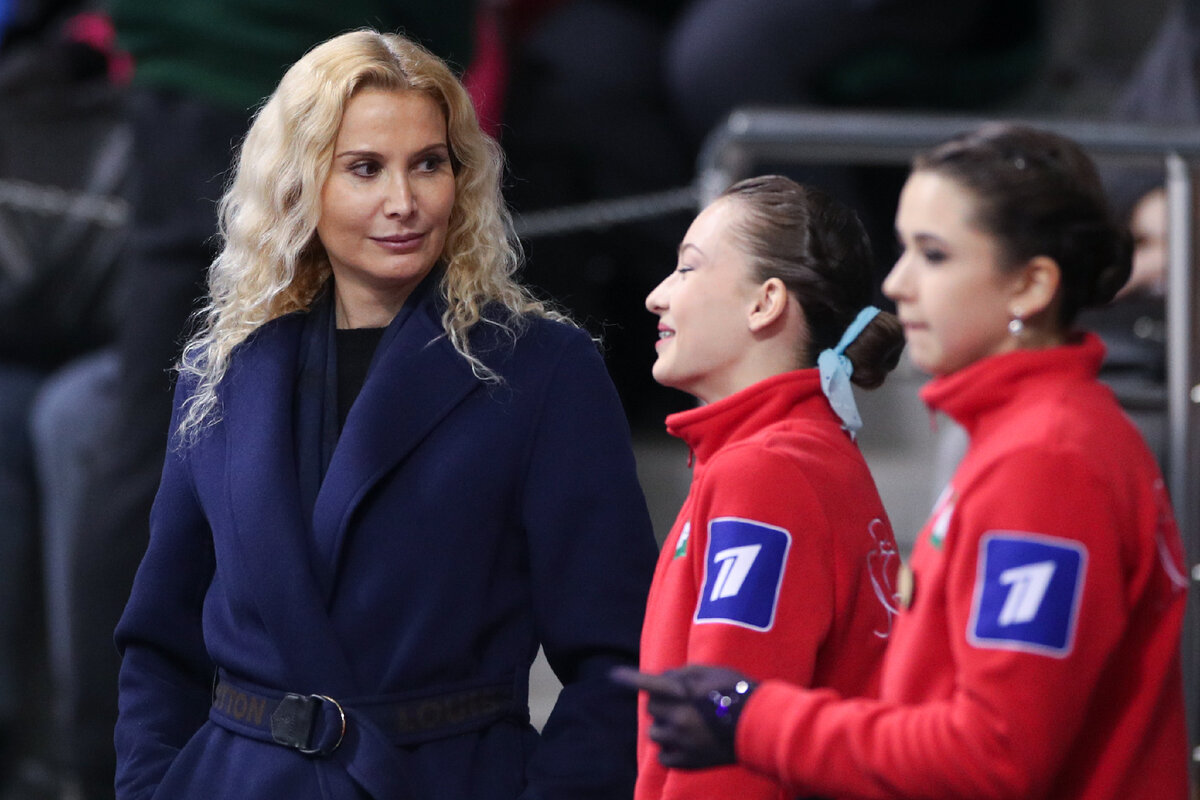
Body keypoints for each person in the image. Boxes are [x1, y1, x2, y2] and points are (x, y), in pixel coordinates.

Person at [113, 29, 657, 800]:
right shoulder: (221, 371)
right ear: (301, 182)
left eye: (429, 164)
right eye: (365, 168)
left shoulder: (542, 368)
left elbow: (617, 659)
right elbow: (159, 644)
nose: (403, 202)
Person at [618, 123, 1192, 799]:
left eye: (934, 255)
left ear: (1030, 285)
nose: (898, 283)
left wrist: (749, 718)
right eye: (905, 251)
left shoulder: (1050, 460)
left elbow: (996, 754)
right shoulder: (1031, 442)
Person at [630, 175, 905, 799]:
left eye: (687, 269)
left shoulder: (767, 473)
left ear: (766, 303)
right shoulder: (795, 456)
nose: (656, 296)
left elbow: (725, 744)